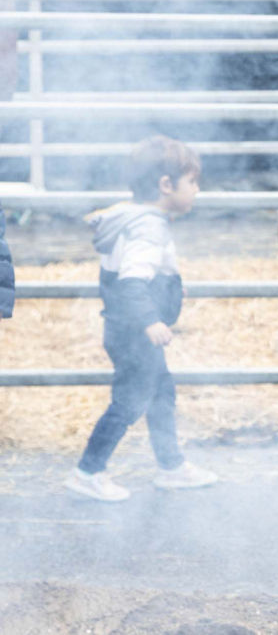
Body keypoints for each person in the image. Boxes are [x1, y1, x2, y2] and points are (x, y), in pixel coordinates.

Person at [65, 135, 217, 503]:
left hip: (128, 331)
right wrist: (151, 320)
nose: (197, 190)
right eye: (193, 182)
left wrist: (170, 291)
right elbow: (131, 281)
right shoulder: (148, 227)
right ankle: (88, 471)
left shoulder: (134, 219)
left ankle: (171, 466)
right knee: (130, 402)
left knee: (160, 394)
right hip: (136, 334)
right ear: (166, 185)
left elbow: (142, 275)